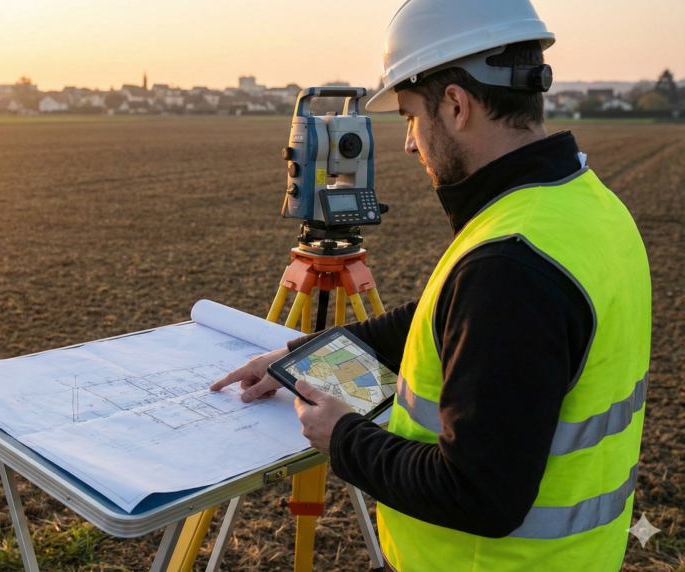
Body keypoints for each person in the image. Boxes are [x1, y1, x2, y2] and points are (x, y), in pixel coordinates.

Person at [209, 0, 651, 570]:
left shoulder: (509, 267)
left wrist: (343, 437)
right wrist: (297, 357)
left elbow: (479, 494)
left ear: (457, 104)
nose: (410, 144)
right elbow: (449, 318)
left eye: (412, 117)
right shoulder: (586, 207)